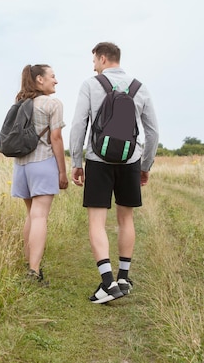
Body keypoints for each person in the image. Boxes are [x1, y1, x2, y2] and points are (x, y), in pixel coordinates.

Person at [69, 42, 159, 303]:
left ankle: (107, 284)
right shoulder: (140, 88)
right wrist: (145, 166)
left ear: (103, 58)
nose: (94, 66)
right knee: (126, 219)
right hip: (130, 160)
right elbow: (152, 132)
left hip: (98, 159)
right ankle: (123, 278)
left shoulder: (90, 85)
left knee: (97, 221)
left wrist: (77, 160)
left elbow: (78, 124)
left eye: (95, 61)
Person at [11, 64, 68, 285]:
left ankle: (30, 264)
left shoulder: (21, 104)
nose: (56, 81)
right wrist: (62, 171)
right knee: (40, 216)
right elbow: (56, 138)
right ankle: (34, 271)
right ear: (39, 80)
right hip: (42, 163)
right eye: (52, 76)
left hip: (21, 165)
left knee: (31, 216)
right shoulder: (53, 104)